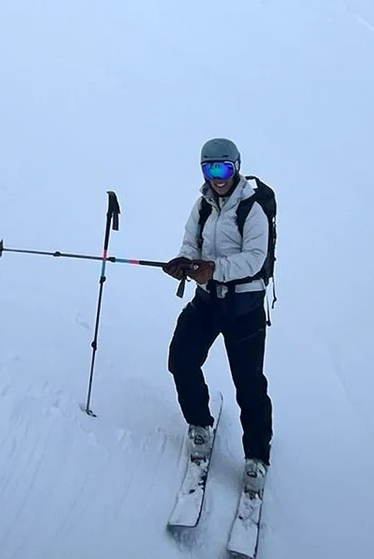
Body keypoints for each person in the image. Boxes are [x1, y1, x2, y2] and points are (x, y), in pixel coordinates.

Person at [162, 137, 274, 496]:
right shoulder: (203, 205)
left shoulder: (251, 208)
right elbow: (190, 241)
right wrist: (185, 261)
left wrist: (214, 269)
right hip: (208, 302)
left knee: (249, 385)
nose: (217, 176)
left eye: (223, 168)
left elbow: (255, 258)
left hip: (244, 308)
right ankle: (199, 424)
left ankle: (256, 457)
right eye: (210, 168)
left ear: (236, 167)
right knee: (181, 360)